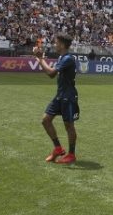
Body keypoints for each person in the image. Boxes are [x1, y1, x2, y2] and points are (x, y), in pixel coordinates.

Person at [33, 34, 79, 165]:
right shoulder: (62, 57)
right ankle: (58, 148)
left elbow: (51, 74)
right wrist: (40, 59)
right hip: (60, 95)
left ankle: (71, 154)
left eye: (56, 43)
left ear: (63, 45)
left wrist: (40, 59)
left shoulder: (68, 59)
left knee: (69, 125)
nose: (54, 45)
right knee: (46, 120)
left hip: (68, 97)